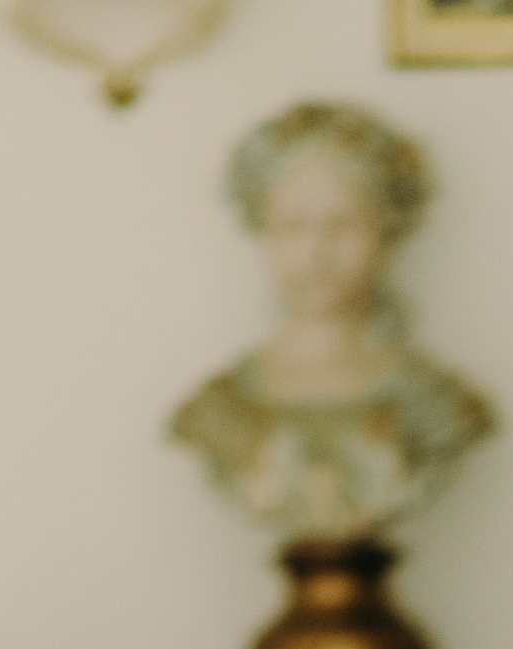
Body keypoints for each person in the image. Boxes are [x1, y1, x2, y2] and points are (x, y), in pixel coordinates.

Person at [168, 101, 494, 549]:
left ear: (388, 233)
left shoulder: (436, 405)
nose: (317, 252)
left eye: (343, 225)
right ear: (262, 231)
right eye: (293, 226)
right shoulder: (221, 408)